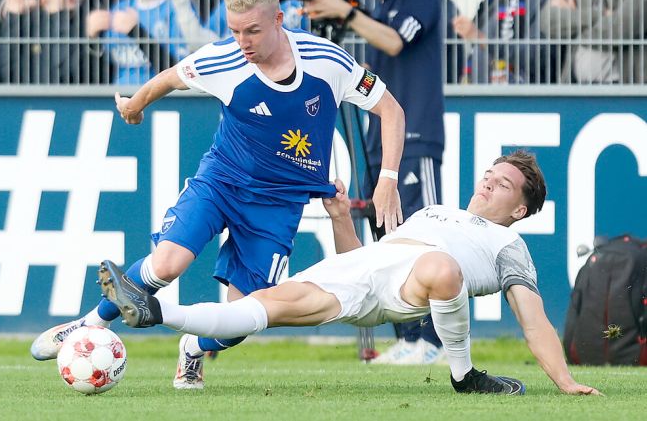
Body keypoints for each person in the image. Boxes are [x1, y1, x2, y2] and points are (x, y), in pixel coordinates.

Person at [30, 0, 405, 390]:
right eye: (235, 30)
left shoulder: (327, 60)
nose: (243, 41)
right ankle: (87, 326)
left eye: (253, 31)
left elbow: (391, 109)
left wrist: (386, 180)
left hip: (278, 204)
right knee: (167, 264)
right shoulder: (223, 58)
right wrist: (134, 106)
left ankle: (192, 347)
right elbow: (170, 77)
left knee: (242, 319)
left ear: (280, 19)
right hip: (221, 181)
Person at [100, 151, 603, 397]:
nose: (490, 182)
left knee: (442, 267)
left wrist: (564, 382)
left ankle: (464, 375)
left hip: (418, 283)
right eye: (490, 174)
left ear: (520, 209)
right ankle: (163, 319)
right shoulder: (435, 212)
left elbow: (533, 320)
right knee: (256, 310)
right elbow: (370, 257)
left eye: (505, 184)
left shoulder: (509, 244)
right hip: (361, 273)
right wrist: (342, 218)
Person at [303, 0, 445, 363]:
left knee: (422, 236)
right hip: (378, 134)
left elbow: (395, 41)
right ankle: (408, 338)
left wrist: (345, 13)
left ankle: (435, 341)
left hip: (416, 130)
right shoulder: (374, 2)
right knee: (385, 237)